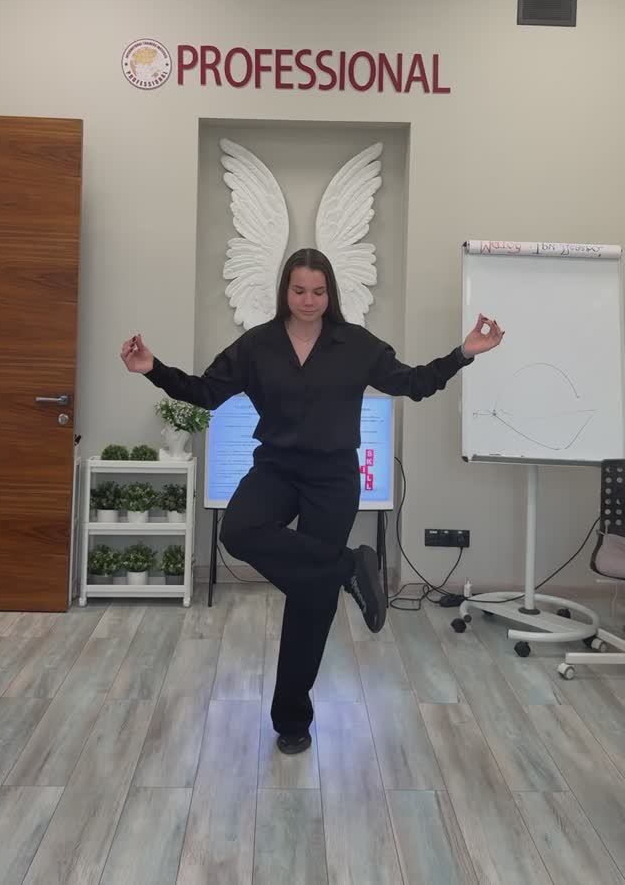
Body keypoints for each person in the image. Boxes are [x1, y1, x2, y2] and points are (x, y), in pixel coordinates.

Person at [121, 248, 503, 756]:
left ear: (330, 293)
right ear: (285, 290)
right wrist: (152, 368)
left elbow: (413, 384)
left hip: (332, 477)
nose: (308, 300)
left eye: (318, 291)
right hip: (276, 468)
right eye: (299, 290)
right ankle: (346, 566)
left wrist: (464, 353)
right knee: (238, 530)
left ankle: (292, 718)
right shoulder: (257, 345)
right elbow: (206, 392)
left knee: (310, 598)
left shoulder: (356, 344)